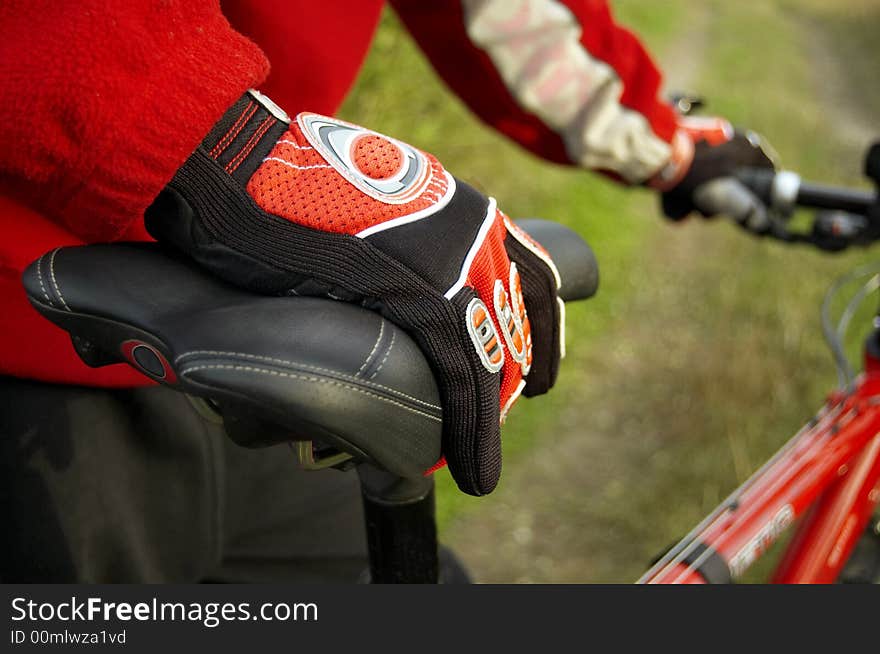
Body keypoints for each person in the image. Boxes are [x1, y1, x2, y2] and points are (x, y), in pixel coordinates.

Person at [0, 0, 775, 582]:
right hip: (33, 343)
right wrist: (224, 153)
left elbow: (506, 14)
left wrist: (669, 147)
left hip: (264, 344)